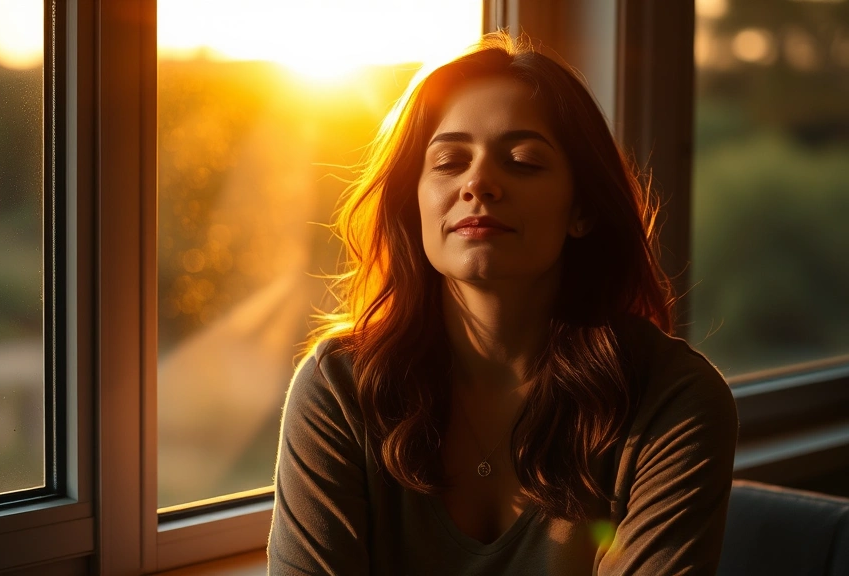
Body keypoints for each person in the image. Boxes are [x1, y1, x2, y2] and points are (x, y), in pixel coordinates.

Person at [267, 31, 738, 575]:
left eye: (522, 160)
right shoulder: (340, 390)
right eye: (448, 161)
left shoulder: (673, 403)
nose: (479, 182)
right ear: (412, 203)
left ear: (581, 208)